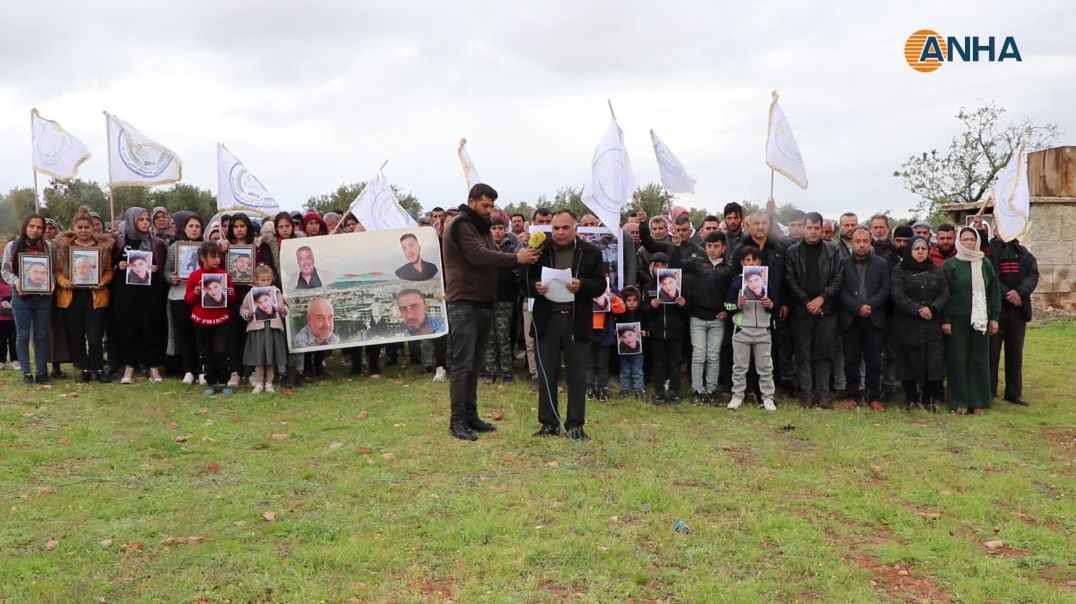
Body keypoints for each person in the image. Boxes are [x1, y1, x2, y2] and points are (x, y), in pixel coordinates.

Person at [442, 183, 539, 441]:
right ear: (471, 201)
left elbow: (495, 254)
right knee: (463, 365)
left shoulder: (480, 227)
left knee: (475, 364)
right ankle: (457, 421)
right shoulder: (462, 224)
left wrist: (521, 252)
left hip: (483, 301)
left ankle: (470, 416)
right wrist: (517, 258)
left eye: (492, 205)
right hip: (464, 302)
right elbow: (479, 255)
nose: (490, 210)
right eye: (485, 205)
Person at [527, 209, 605, 439]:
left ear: (575, 228)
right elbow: (524, 280)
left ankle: (575, 425)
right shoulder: (539, 251)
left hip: (575, 320)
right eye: (556, 228)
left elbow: (600, 284)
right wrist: (535, 287)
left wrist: (582, 285)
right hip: (547, 319)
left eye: (565, 227)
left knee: (577, 376)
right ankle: (548, 423)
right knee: (547, 374)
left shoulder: (590, 253)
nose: (560, 232)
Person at [784, 212, 845, 408]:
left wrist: (822, 299)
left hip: (826, 310)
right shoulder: (792, 252)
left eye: (816, 228)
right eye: (809, 228)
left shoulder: (833, 250)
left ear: (822, 229)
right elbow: (790, 279)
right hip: (801, 310)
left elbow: (838, 278)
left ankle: (823, 394)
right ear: (803, 228)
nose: (812, 232)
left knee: (824, 354)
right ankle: (806, 394)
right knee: (803, 355)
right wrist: (805, 300)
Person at [942, 227, 1001, 415]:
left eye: (971, 239)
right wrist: (946, 320)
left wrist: (994, 317)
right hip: (957, 321)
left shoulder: (985, 263)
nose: (968, 242)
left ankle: (978, 401)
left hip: (981, 320)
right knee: (958, 359)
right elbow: (944, 295)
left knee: (979, 359)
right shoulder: (951, 264)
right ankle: (959, 400)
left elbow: (993, 292)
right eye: (965, 239)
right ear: (959, 241)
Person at [54, 207, 114, 383]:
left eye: (86, 227)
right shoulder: (66, 247)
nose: (83, 231)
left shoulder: (102, 247)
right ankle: (84, 369)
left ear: (92, 228)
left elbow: (109, 271)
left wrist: (103, 281)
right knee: (76, 334)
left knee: (95, 335)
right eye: (79, 227)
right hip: (71, 296)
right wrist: (64, 282)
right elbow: (58, 271)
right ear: (74, 227)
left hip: (95, 296)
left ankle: (98, 368)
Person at [890, 236, 949, 411]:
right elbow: (897, 294)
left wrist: (933, 308)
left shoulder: (937, 270)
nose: (920, 252)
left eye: (924, 249)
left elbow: (945, 293)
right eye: (917, 249)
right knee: (908, 360)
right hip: (907, 323)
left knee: (933, 361)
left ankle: (930, 398)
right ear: (910, 250)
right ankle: (911, 398)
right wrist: (917, 309)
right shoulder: (899, 270)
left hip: (932, 323)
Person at [110, 207, 168, 384]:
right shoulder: (119, 242)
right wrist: (118, 267)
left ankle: (152, 366)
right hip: (125, 294)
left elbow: (163, 268)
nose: (145, 222)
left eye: (146, 219)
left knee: (150, 328)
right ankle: (130, 365)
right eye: (141, 220)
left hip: (149, 294)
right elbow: (107, 267)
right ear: (131, 221)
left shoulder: (156, 243)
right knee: (128, 328)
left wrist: (156, 269)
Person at [838, 226, 891, 412]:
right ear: (851, 243)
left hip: (874, 318)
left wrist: (870, 306)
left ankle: (873, 396)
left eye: (865, 241)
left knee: (874, 360)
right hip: (851, 318)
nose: (861, 245)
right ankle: (852, 395)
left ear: (870, 242)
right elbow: (840, 290)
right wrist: (857, 307)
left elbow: (885, 289)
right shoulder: (843, 263)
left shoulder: (882, 263)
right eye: (857, 241)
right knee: (851, 360)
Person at [1, 214, 55, 384]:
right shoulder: (13, 246)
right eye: (32, 226)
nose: (35, 230)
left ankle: (41, 371)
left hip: (43, 297)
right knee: (22, 335)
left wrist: (51, 282)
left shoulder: (48, 246)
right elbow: (5, 271)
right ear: (25, 227)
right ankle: (26, 372)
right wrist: (17, 282)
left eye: (39, 227)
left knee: (41, 335)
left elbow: (52, 270)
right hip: (21, 297)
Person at [988, 234, 1039, 406]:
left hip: (1018, 310)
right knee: (991, 353)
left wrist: (1020, 292)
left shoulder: (1022, 251)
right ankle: (989, 391)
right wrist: (1007, 294)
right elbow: (990, 276)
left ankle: (1013, 393)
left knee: (1015, 353)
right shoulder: (989, 250)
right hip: (997, 310)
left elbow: (1033, 274)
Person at [725, 246, 777, 411]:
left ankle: (768, 398)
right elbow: (727, 305)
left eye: (755, 259)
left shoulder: (767, 282)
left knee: (765, 367)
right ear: (742, 263)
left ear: (760, 262)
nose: (751, 263)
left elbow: (776, 305)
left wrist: (770, 305)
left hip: (763, 330)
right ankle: (737, 396)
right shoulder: (736, 283)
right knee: (739, 367)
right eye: (748, 260)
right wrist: (736, 305)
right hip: (742, 330)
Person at [683, 232, 731, 404]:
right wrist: (677, 243)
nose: (712, 249)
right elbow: (677, 266)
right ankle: (697, 389)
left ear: (723, 247)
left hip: (718, 318)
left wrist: (728, 311)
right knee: (698, 355)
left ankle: (711, 390)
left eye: (716, 246)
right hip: (697, 317)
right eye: (709, 246)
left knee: (713, 355)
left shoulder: (728, 269)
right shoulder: (697, 264)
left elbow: (733, 294)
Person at [185, 242, 236, 396]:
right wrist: (195, 292)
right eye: (213, 257)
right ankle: (211, 382)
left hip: (221, 320)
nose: (217, 260)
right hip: (201, 320)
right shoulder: (194, 276)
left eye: (218, 256)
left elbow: (231, 299)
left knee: (221, 351)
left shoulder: (224, 275)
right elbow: (187, 300)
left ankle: (224, 381)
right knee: (205, 352)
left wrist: (231, 293)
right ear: (202, 258)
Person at [643, 252, 688, 405]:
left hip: (675, 331)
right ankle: (659, 392)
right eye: (657, 265)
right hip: (656, 332)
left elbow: (688, 309)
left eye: (663, 265)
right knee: (659, 363)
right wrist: (651, 306)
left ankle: (675, 392)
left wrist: (683, 304)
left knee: (675, 363)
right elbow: (643, 309)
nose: (660, 268)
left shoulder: (678, 284)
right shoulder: (649, 285)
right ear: (652, 267)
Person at [164, 214, 204, 385]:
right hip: (179, 295)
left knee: (201, 335)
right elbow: (166, 270)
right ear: (185, 228)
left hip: (202, 298)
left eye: (197, 226)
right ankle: (187, 370)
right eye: (191, 226)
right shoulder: (174, 248)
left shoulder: (207, 247)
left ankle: (202, 369)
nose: (194, 229)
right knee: (184, 334)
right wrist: (170, 278)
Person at [240, 266, 288, 394]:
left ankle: (269, 383)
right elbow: (243, 308)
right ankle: (259, 383)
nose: (266, 282)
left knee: (271, 356)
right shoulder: (251, 294)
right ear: (256, 280)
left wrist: (282, 310)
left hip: (272, 328)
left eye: (268, 280)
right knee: (259, 357)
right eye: (263, 280)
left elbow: (284, 308)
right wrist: (247, 313)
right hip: (258, 329)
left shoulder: (276, 292)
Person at [484, 217, 519, 384]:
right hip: (487, 298)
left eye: (500, 228)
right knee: (489, 337)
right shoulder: (483, 248)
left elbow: (510, 272)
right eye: (493, 228)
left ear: (505, 229)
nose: (497, 231)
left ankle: (506, 373)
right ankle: (490, 372)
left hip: (505, 298)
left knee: (503, 336)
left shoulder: (512, 249)